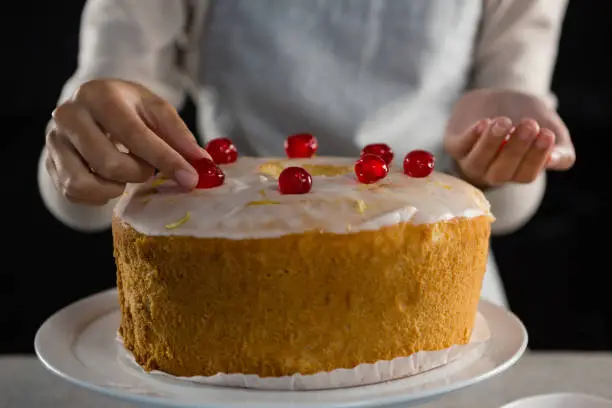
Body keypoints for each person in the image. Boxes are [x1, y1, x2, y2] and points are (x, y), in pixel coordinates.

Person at [39, 0, 575, 308]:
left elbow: (509, 208)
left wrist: (497, 161)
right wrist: (90, 147)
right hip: (228, 275)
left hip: (429, 279)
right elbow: (95, 151)